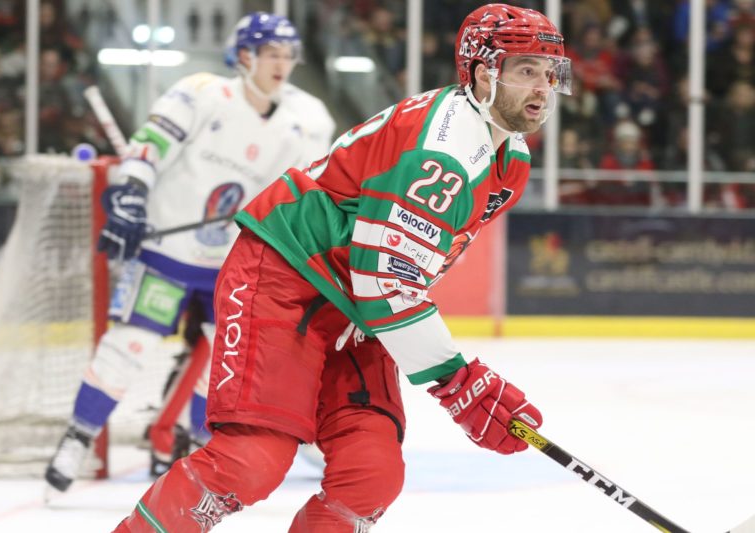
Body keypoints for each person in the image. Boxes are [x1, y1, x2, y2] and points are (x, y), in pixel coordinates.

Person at [115, 4, 571, 531]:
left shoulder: (511, 160)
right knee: (252, 459)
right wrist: (457, 381)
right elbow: (386, 279)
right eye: (526, 70)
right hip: (286, 277)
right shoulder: (442, 152)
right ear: (483, 74)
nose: (542, 87)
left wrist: (456, 377)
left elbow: (398, 272)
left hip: (354, 305)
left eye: (549, 72)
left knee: (370, 473)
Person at [44, 12, 334, 493]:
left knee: (228, 361)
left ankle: (199, 448)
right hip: (169, 251)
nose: (281, 65)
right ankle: (78, 436)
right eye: (271, 54)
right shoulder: (199, 93)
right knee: (130, 346)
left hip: (237, 264)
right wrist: (132, 193)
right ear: (244, 56)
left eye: (288, 55)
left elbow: (308, 194)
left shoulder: (310, 118)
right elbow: (150, 144)